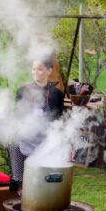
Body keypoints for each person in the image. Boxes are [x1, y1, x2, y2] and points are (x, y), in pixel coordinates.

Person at [9, 57, 64, 193]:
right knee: (15, 143)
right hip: (28, 133)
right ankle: (19, 182)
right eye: (33, 69)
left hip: (46, 136)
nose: (35, 72)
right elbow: (17, 115)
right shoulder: (23, 91)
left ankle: (45, 184)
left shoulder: (56, 94)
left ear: (49, 71)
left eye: (40, 69)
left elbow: (59, 119)